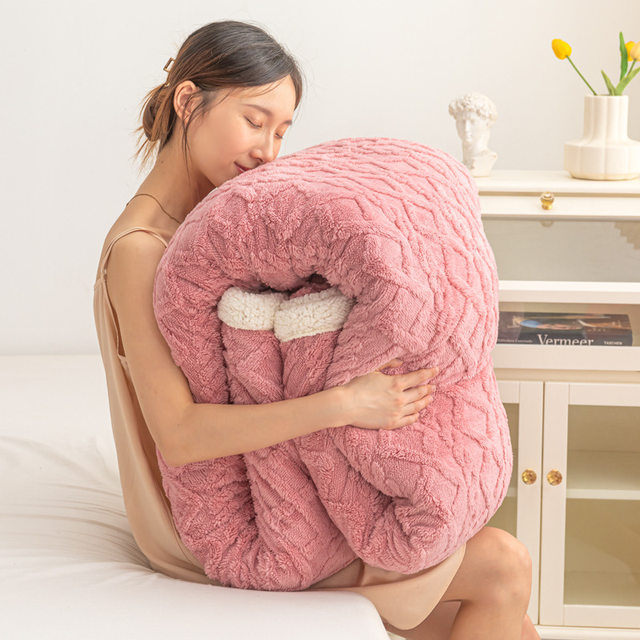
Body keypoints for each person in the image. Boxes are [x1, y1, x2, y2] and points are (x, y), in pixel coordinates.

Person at [93, 19, 539, 640]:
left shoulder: (226, 226)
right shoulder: (142, 250)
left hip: (271, 472)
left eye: (281, 131)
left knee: (500, 612)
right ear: (188, 101)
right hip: (213, 517)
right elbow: (181, 435)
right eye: (254, 121)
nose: (268, 151)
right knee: (502, 566)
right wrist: (345, 404)